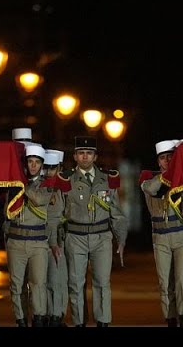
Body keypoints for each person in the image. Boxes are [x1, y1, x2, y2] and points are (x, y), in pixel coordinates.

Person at [52, 136, 128, 327]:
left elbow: (116, 213)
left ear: (95, 156)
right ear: (75, 156)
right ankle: (79, 323)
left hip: (102, 237)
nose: (85, 157)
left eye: (89, 153)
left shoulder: (107, 179)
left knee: (102, 283)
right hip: (75, 237)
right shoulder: (66, 179)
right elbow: (56, 214)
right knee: (75, 285)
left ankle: (103, 322)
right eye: (81, 153)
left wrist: (121, 238)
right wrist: (54, 241)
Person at [140, 139, 183, 327]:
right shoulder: (150, 179)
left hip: (182, 236)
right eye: (163, 158)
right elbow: (149, 188)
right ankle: (170, 318)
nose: (167, 161)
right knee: (165, 282)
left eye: (171, 158)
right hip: (161, 237)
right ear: (158, 162)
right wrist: (167, 177)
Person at [3, 144, 54, 327]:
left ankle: (39, 319)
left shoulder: (47, 184)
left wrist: (23, 184)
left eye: (37, 162)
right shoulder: (14, 184)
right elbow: (6, 212)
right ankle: (21, 320)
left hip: (38, 242)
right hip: (16, 240)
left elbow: (40, 200)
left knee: (38, 284)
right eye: (30, 161)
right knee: (16, 286)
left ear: (42, 165)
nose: (33, 165)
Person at [43, 149, 69, 327]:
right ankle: (47, 314)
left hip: (58, 238)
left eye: (52, 168)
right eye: (46, 167)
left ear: (59, 167)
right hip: (40, 237)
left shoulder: (64, 187)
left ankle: (57, 316)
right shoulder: (41, 186)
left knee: (58, 279)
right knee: (42, 281)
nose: (49, 171)